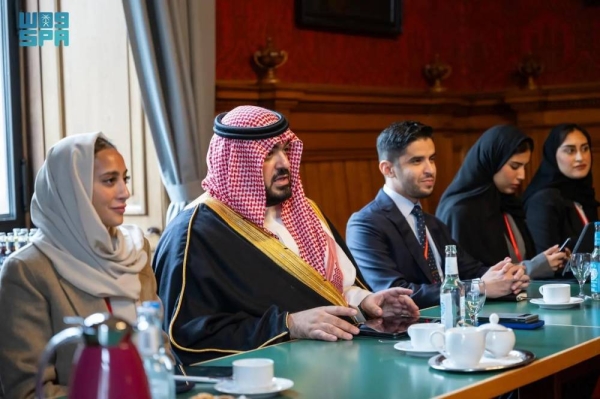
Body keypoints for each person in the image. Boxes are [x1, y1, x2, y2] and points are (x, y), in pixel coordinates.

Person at [153, 105, 420, 365]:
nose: (284, 163)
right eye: (269, 154)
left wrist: (366, 303)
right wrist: (289, 324)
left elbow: (331, 290)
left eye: (285, 149)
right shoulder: (194, 232)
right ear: (238, 162)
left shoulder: (305, 210)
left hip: (336, 363)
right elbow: (188, 336)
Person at [0, 133, 162, 399]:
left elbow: (158, 352)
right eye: (110, 180)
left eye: (125, 178)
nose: (125, 192)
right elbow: (29, 391)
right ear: (72, 189)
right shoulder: (28, 270)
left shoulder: (135, 250)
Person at [346, 121, 529, 308]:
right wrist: (477, 287)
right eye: (417, 161)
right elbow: (394, 293)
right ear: (388, 169)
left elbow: (471, 269)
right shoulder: (365, 224)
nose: (430, 169)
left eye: (431, 159)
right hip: (409, 332)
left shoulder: (432, 222)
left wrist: (507, 275)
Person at [436, 125, 567, 280]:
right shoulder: (460, 211)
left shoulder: (507, 203)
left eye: (524, 166)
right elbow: (469, 277)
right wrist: (532, 267)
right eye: (514, 166)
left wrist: (546, 262)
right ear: (492, 162)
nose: (522, 175)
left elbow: (520, 257)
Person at [523, 123, 599, 254]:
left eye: (585, 148)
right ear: (553, 155)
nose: (580, 157)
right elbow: (547, 261)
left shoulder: (584, 194)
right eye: (570, 150)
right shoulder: (544, 200)